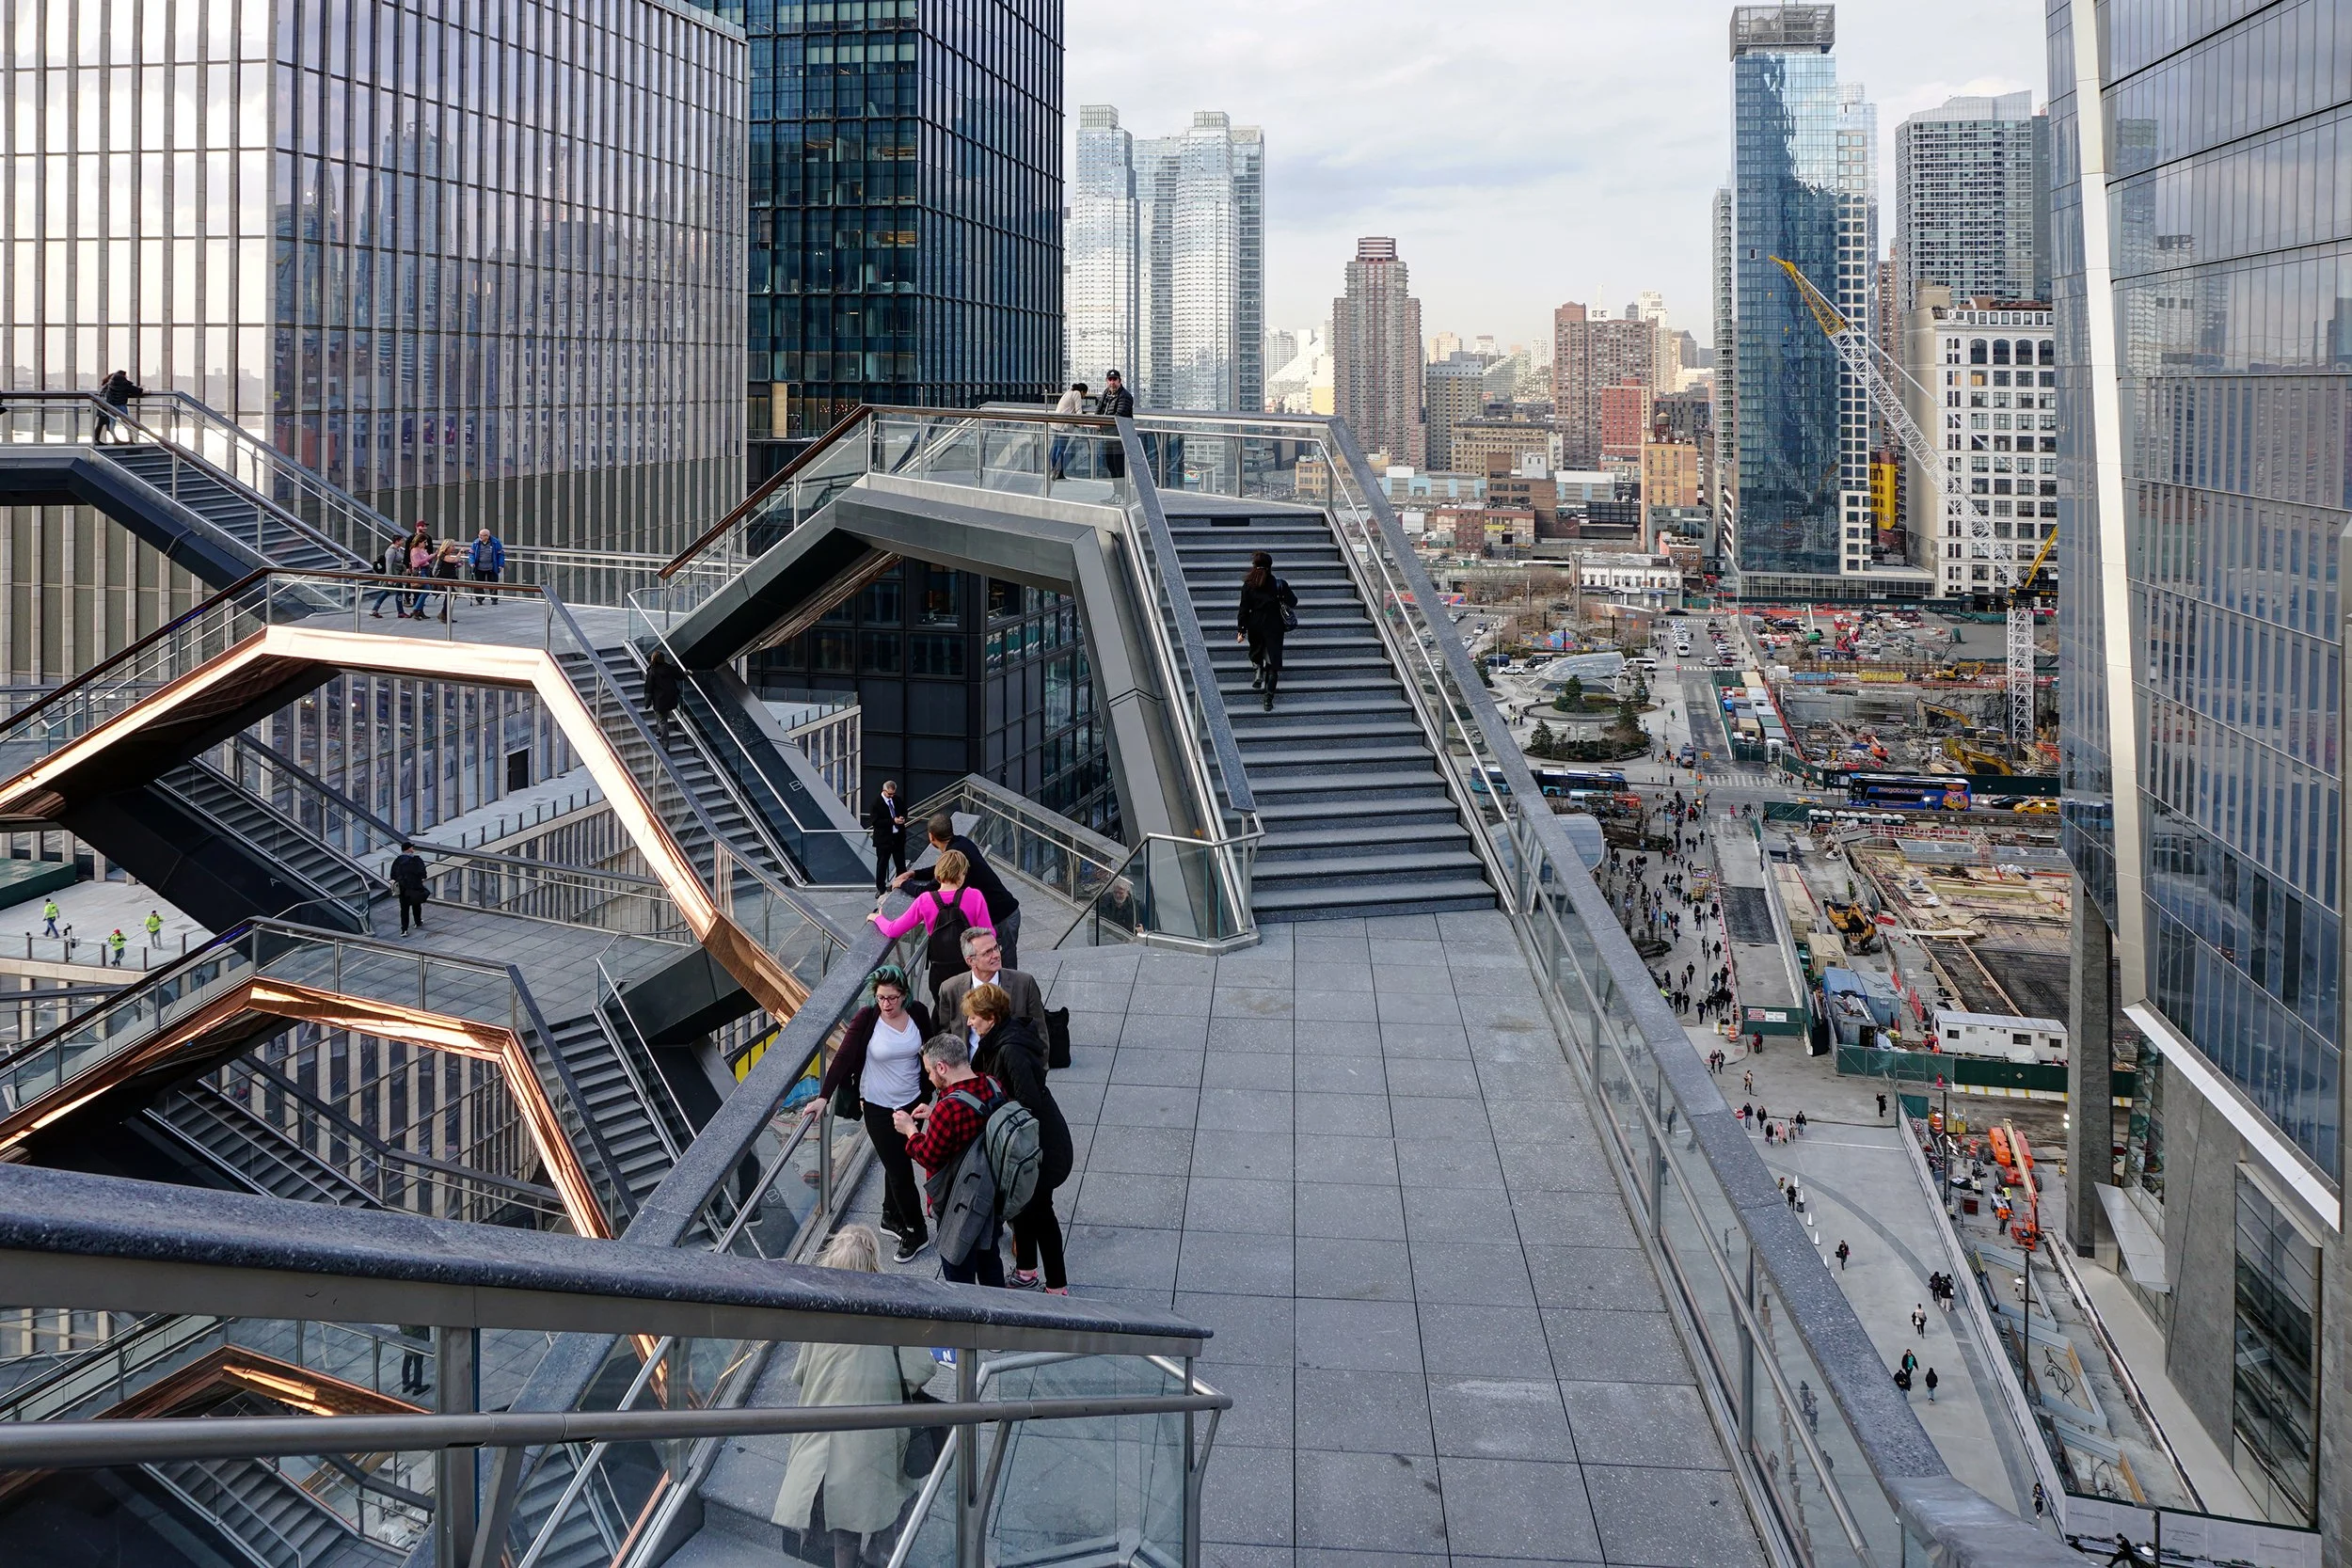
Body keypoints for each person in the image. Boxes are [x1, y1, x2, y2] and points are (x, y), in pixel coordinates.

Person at [769, 1225, 938, 1567]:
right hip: (874, 1443)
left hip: (822, 1446)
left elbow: (801, 1374)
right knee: (889, 1499)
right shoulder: (890, 1313)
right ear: (873, 1264)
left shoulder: (821, 1315)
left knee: (843, 1523)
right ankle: (880, 1557)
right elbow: (920, 1370)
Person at [806, 967, 937, 1263]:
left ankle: (890, 1215)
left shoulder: (917, 1012)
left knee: (898, 1161)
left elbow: (930, 1050)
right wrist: (823, 1097)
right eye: (881, 998)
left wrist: (933, 1091)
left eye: (892, 998)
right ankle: (916, 1230)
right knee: (901, 1171)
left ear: (904, 995)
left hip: (913, 1102)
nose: (887, 1004)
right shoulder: (867, 1018)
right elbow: (843, 1056)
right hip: (878, 1107)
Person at [965, 983, 1070, 1292]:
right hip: (1027, 1145)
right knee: (1022, 1207)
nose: (969, 1022)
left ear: (991, 1017)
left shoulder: (1010, 1049)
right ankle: (1026, 1272)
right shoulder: (998, 1041)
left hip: (1038, 1147)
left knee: (1041, 1212)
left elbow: (1028, 1103)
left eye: (973, 1017)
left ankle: (1057, 1286)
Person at [898, 1034, 1008, 1287]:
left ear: (941, 1067)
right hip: (990, 1193)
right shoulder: (993, 1085)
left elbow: (929, 1156)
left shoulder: (948, 1108)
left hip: (957, 1203)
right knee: (990, 1259)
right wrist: (934, 1114)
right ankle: (999, 1306)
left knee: (957, 1271)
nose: (929, 1078)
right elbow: (977, 1122)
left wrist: (910, 1131)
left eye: (929, 1071)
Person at [895, 816, 1023, 967]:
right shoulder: (962, 842)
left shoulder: (955, 851)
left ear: (931, 836)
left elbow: (927, 891)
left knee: (1002, 971)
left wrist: (903, 884)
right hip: (1007, 911)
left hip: (1001, 919)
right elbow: (941, 870)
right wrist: (914, 874)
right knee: (1001, 968)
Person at [874, 850, 993, 1005]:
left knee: (945, 1009)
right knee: (972, 1009)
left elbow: (893, 930)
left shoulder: (925, 900)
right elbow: (989, 934)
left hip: (940, 971)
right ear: (962, 874)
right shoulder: (974, 896)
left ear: (938, 873)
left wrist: (877, 918)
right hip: (970, 968)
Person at [934, 927, 1045, 1037]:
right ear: (971, 961)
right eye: (987, 953)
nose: (996, 955)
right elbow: (945, 1036)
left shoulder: (1024, 984)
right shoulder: (950, 989)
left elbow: (1040, 1031)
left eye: (996, 948)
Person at [1236, 550, 1298, 713]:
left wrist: (1241, 629)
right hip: (1274, 627)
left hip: (1255, 625)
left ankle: (1258, 670)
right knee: (1273, 664)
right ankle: (1268, 700)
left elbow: (1243, 610)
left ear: (1254, 566)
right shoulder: (1279, 584)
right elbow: (1293, 602)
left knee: (1256, 651)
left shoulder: (1248, 585)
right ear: (1270, 566)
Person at [867, 779, 909, 894]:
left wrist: (903, 818)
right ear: (884, 791)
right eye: (889, 794)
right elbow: (875, 822)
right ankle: (881, 888)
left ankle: (901, 884)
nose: (891, 796)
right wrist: (893, 821)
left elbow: (904, 811)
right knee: (882, 864)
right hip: (884, 840)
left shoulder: (897, 799)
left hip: (898, 837)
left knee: (900, 863)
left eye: (893, 794)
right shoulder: (876, 803)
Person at [1094, 371, 1134, 479]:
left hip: (1119, 437)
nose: (1112, 382)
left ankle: (1121, 489)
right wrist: (1097, 420)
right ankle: (1117, 489)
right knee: (1110, 465)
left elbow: (1119, 416)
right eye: (1110, 379)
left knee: (1119, 466)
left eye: (1115, 380)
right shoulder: (1106, 393)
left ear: (1119, 381)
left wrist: (1102, 424)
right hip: (1108, 436)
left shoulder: (1125, 396)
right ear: (1107, 381)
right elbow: (1098, 409)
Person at [644, 649, 682, 749]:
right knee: (662, 717)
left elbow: (648, 688)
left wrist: (647, 703)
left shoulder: (652, 671)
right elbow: (679, 675)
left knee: (662, 721)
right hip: (670, 698)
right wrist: (686, 673)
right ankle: (659, 732)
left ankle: (665, 744)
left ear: (653, 659)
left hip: (660, 700)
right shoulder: (668, 668)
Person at [1049, 381, 1088, 481]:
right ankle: (1059, 473)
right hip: (1064, 426)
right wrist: (1082, 424)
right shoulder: (1077, 393)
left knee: (1055, 448)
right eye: (1085, 394)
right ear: (1082, 391)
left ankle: (1053, 471)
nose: (1084, 397)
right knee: (1061, 450)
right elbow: (1078, 411)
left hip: (1056, 423)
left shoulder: (1068, 392)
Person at [390, 841, 430, 933]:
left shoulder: (397, 861)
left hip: (403, 888)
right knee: (416, 904)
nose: (413, 849)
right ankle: (418, 922)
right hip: (415, 887)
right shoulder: (416, 860)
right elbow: (423, 874)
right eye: (412, 847)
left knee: (404, 909)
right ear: (409, 849)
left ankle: (404, 929)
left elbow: (393, 875)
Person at [94, 369, 144, 441]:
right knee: (126, 422)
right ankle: (130, 439)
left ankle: (115, 439)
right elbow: (137, 391)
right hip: (121, 404)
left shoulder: (110, 384)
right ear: (123, 376)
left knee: (112, 423)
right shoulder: (124, 384)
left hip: (111, 405)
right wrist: (141, 389)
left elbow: (103, 392)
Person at [370, 535, 411, 617]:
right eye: (401, 540)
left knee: (398, 592)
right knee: (387, 592)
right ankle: (375, 609)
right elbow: (388, 564)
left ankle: (400, 611)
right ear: (397, 541)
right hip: (393, 574)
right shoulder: (391, 551)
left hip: (397, 574)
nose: (403, 542)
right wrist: (390, 577)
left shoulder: (398, 549)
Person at [468, 528, 505, 603]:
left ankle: (494, 599)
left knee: (493, 584)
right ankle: (479, 599)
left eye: (482, 535)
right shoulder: (476, 543)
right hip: (479, 567)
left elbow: (500, 554)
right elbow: (471, 553)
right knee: (478, 584)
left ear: (487, 536)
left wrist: (500, 565)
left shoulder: (495, 542)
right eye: (479, 535)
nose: (480, 537)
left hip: (492, 567)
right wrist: (472, 562)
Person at [430, 538, 464, 622]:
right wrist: (460, 552)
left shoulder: (447, 555)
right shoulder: (443, 555)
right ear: (447, 547)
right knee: (451, 595)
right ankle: (444, 614)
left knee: (451, 595)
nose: (454, 548)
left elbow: (451, 564)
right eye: (452, 546)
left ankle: (444, 614)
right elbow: (454, 560)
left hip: (449, 578)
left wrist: (457, 565)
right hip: (443, 579)